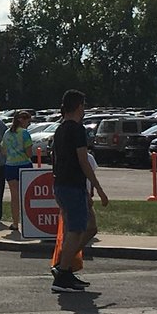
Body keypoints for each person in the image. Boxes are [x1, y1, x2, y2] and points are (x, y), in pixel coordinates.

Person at [50, 89, 109, 293]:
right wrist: (98, 189)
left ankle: (62, 266)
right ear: (78, 107)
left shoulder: (59, 129)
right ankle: (63, 275)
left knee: (90, 227)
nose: (84, 110)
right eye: (83, 106)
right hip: (72, 185)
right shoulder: (76, 129)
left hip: (62, 185)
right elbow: (83, 161)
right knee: (76, 230)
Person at [0, 110, 34, 232]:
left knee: (14, 196)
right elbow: (29, 153)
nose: (28, 124)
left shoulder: (7, 133)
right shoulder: (24, 133)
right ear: (21, 120)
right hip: (24, 165)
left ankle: (15, 223)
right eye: (28, 121)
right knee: (26, 196)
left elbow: (3, 151)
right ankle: (28, 222)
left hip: (10, 165)